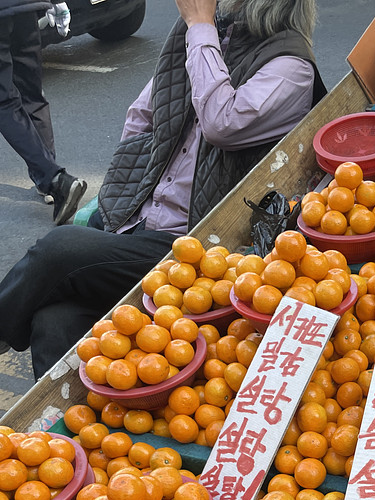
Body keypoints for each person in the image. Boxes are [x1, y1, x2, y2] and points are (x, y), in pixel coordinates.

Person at [0, 0, 325, 378]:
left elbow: (222, 123)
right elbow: (144, 113)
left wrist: (200, 26)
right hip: (139, 226)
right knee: (54, 321)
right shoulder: (210, 36)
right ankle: (69, 433)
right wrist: (128, 187)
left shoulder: (290, 66)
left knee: (58, 248)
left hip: (197, 247)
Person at [0, 0, 87, 223]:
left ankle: (54, 179)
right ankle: (47, 178)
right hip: (26, 8)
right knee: (32, 94)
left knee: (4, 103)